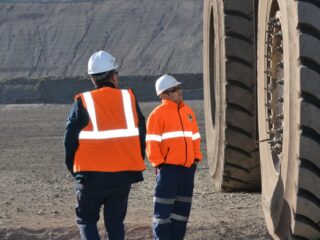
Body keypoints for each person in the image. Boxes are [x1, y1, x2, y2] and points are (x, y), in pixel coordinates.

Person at [64, 50, 146, 240]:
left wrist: (75, 170)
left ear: (93, 78)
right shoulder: (129, 98)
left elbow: (69, 139)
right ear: (114, 76)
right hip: (123, 176)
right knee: (115, 224)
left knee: (86, 220)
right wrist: (133, 161)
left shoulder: (83, 101)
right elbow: (141, 133)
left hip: (90, 177)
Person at [146, 74, 202, 240]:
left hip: (187, 170)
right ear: (164, 94)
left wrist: (195, 159)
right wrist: (160, 165)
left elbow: (195, 138)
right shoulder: (157, 115)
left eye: (179, 88)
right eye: (175, 89)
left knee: (181, 214)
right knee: (162, 214)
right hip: (168, 171)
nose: (179, 92)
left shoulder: (188, 112)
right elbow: (152, 143)